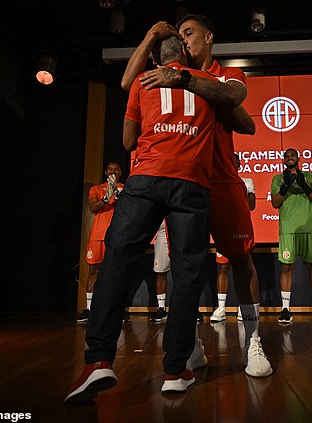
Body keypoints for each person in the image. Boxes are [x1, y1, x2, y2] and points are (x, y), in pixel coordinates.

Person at [66, 35, 217, 403]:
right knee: (186, 274)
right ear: (184, 53)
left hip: (146, 180)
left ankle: (99, 359)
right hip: (190, 184)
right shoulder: (207, 83)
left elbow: (129, 139)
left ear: (153, 57)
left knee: (118, 261)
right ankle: (175, 370)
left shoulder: (140, 82)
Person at [123, 15, 272, 378]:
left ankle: (253, 341)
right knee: (185, 269)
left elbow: (246, 119)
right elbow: (129, 85)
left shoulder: (222, 74)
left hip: (221, 182)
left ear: (209, 36)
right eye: (179, 35)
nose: (184, 40)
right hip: (183, 183)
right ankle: (189, 342)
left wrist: (193, 82)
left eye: (188, 33)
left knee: (240, 261)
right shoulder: (164, 76)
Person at [271, 148, 312, 324]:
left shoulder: (309, 176)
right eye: (286, 156)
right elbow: (275, 202)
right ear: (283, 160)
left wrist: (303, 184)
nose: (289, 158)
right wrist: (285, 186)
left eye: (292, 155)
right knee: (286, 267)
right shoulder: (278, 178)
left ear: (298, 158)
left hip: (308, 227)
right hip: (288, 229)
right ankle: (285, 309)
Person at [210, 153, 256, 323]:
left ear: (239, 164)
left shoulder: (247, 181)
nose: (232, 163)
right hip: (223, 227)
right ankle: (221, 308)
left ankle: (242, 307)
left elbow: (250, 205)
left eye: (235, 161)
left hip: (240, 227)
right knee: (222, 268)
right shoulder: (216, 180)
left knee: (242, 268)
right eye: (229, 160)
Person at [76, 162, 124, 324]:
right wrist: (106, 197)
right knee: (94, 270)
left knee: (118, 272)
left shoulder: (125, 187)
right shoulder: (96, 189)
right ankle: (89, 309)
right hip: (98, 234)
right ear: (105, 172)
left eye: (116, 169)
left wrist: (116, 194)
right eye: (110, 169)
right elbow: (93, 207)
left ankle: (118, 309)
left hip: (117, 234)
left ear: (120, 172)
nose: (113, 171)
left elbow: (126, 206)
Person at [149, 219, 169, 323]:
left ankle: (189, 308)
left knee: (184, 273)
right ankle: (161, 308)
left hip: (181, 234)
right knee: (160, 272)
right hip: (162, 234)